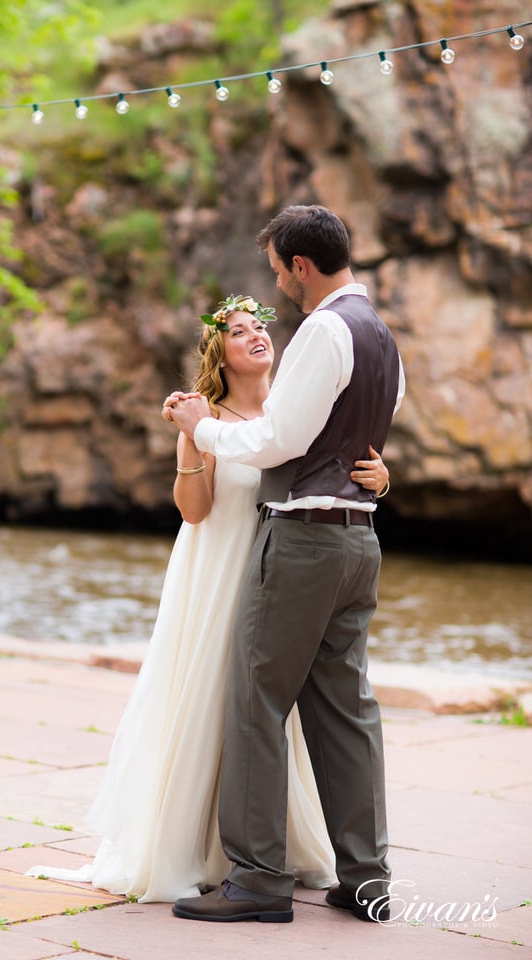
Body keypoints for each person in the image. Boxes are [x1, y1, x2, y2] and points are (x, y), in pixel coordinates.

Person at [26, 292, 389, 902]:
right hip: (219, 570)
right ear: (220, 355)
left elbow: (342, 473)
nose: (255, 336)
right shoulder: (205, 417)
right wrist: (194, 444)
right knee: (221, 698)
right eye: (239, 332)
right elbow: (193, 513)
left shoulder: (299, 411)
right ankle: (203, 846)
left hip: (288, 571)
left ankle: (264, 848)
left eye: (259, 327)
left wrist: (384, 478)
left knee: (275, 708)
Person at [166, 205, 405, 925]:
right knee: (347, 711)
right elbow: (368, 428)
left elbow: (279, 439)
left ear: (301, 266)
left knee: (256, 700)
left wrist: (198, 427)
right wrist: (376, 477)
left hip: (302, 540)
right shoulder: (383, 335)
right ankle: (366, 878)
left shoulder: (326, 329)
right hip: (359, 541)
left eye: (278, 271)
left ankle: (259, 880)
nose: (279, 287)